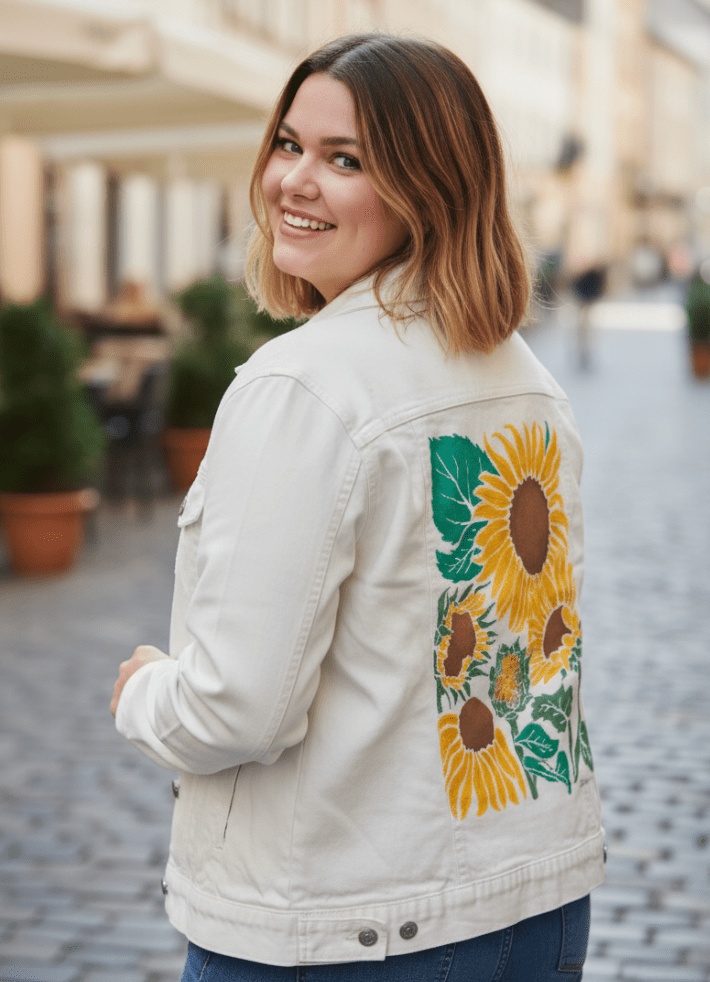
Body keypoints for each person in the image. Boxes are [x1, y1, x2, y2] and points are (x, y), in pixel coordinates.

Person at [111, 33, 605, 982]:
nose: (294, 180)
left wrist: (142, 691)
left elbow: (235, 710)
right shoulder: (526, 378)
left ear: (431, 187)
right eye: (288, 144)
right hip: (536, 906)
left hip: (345, 931)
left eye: (346, 160)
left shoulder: (304, 385)